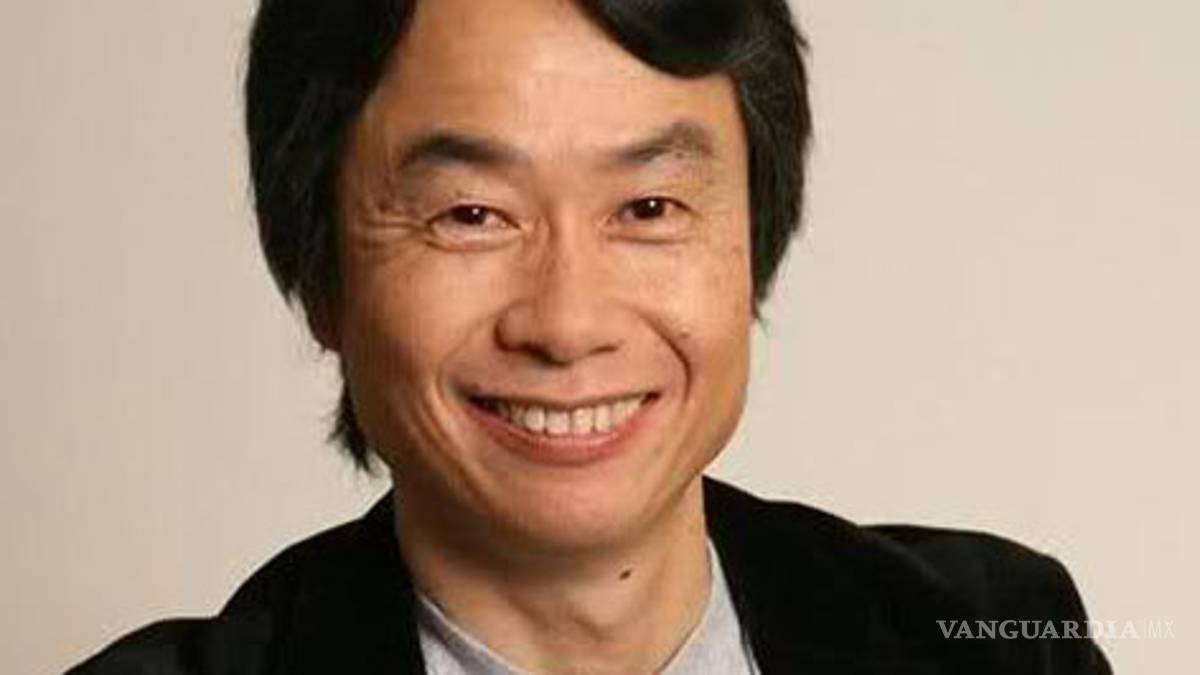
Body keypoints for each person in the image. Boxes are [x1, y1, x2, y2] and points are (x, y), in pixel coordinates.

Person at [70, 0, 1111, 673]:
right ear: (321, 281)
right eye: (471, 214)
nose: (568, 324)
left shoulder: (998, 639)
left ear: (752, 247)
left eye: (650, 208)